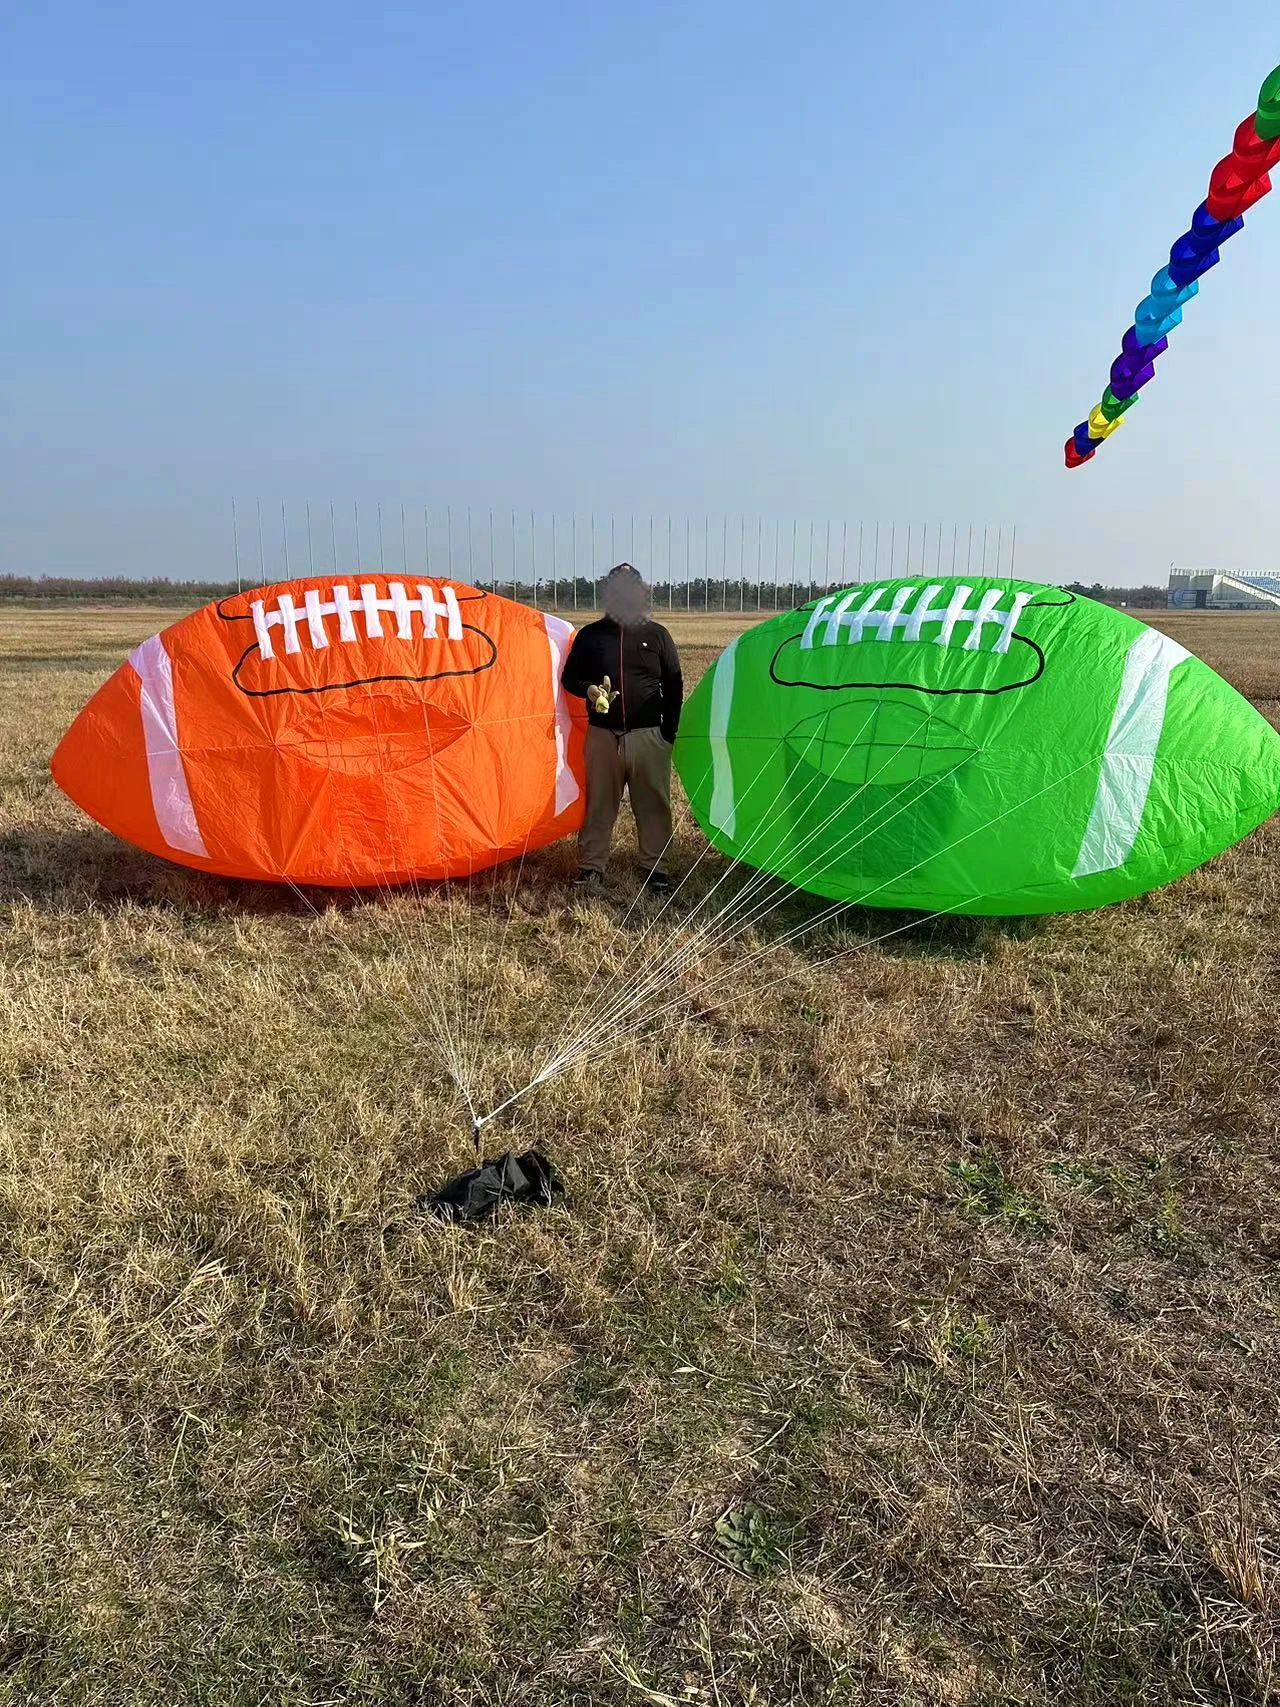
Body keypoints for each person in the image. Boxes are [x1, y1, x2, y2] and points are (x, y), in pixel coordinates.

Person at [560, 563, 683, 893]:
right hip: (602, 737)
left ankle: (655, 868)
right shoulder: (590, 636)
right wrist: (588, 690)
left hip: (649, 737)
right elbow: (569, 678)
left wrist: (667, 734)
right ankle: (591, 867)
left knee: (654, 804)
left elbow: (674, 685)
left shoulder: (657, 635)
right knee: (599, 804)